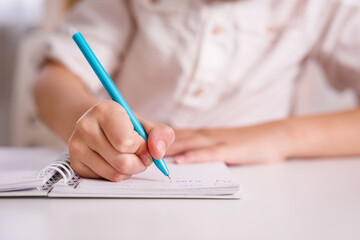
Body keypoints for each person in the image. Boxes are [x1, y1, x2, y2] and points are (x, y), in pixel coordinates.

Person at [34, 0, 360, 182]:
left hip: (260, 190)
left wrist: (281, 137)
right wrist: (85, 121)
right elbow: (54, 79)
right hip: (124, 180)